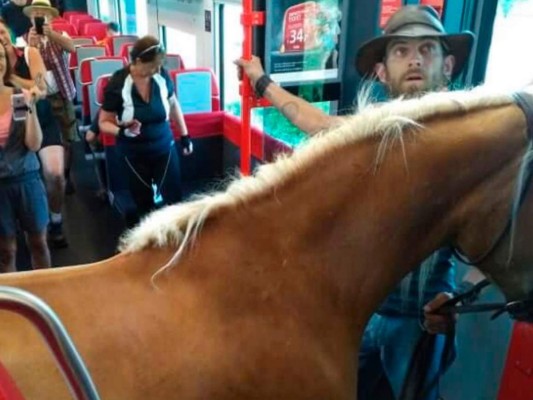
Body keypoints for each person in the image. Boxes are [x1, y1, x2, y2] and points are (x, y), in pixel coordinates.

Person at [237, 5, 476, 400]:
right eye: (400, 51)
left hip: (420, 323)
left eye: (427, 50)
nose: (415, 58)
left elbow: (499, 227)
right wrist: (260, 80)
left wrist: (459, 297)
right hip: (364, 312)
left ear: (447, 65)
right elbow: (316, 124)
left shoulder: (468, 144)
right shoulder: (372, 134)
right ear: (382, 72)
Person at [99, 35, 193, 227]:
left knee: (175, 200)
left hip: (164, 147)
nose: (158, 70)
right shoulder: (118, 83)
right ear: (139, 61)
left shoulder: (161, 76)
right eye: (154, 66)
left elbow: (173, 105)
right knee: (144, 204)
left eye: (160, 66)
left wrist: (185, 136)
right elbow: (104, 122)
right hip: (133, 153)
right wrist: (121, 132)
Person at [0, 17, 68, 248]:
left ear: (8, 33)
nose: (0, 37)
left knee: (56, 173)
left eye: (2, 32)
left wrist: (9, 79)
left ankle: (55, 219)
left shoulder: (29, 53)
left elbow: (40, 88)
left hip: (40, 115)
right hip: (12, 121)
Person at [0, 40, 50, 272]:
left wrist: (30, 108)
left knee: (38, 244)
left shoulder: (19, 98)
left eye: (1, 57)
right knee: (6, 251)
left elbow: (33, 143)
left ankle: (44, 297)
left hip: (26, 179)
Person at [24, 0, 77, 195]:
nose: (39, 15)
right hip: (42, 99)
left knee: (68, 138)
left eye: (43, 13)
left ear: (51, 17)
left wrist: (51, 35)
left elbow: (72, 48)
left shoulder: (60, 35)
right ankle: (48, 174)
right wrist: (31, 46)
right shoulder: (24, 41)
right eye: (36, 13)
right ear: (31, 18)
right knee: (46, 140)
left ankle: (67, 173)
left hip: (63, 95)